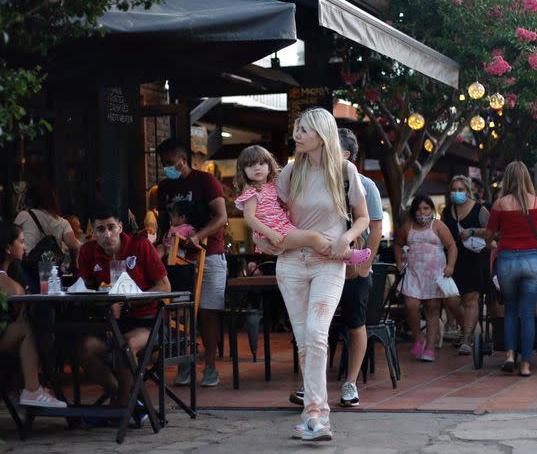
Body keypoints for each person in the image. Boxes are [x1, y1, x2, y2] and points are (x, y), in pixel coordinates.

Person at [258, 107, 370, 441]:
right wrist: (262, 234)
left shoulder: (344, 170)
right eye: (296, 128)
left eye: (304, 129)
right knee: (305, 341)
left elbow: (362, 217)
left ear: (322, 133)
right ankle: (312, 415)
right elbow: (268, 216)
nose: (297, 134)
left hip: (329, 263)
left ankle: (317, 415)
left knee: (318, 333)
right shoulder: (291, 172)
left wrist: (346, 239)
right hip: (291, 262)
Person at [77, 207, 171, 406]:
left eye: (111, 227)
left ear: (120, 227)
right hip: (110, 323)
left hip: (148, 322)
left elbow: (164, 287)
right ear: (93, 233)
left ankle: (122, 403)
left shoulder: (140, 245)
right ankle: (123, 397)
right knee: (84, 349)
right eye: (100, 229)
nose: (107, 234)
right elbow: (86, 290)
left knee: (125, 346)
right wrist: (105, 310)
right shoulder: (87, 251)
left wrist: (129, 301)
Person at [156, 138, 228, 388]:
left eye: (169, 163)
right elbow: (163, 224)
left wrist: (197, 236)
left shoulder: (205, 181)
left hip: (209, 254)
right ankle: (185, 362)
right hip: (177, 260)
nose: (167, 168)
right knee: (179, 312)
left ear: (182, 159)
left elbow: (222, 217)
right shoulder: (164, 187)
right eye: (163, 164)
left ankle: (209, 365)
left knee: (208, 311)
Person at [233, 144, 370, 264]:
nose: (257, 168)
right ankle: (346, 255)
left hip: (282, 228)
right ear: (243, 171)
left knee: (312, 239)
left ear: (269, 166)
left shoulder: (272, 185)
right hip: (275, 232)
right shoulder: (251, 192)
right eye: (250, 165)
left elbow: (284, 204)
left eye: (261, 164)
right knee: (313, 238)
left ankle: (342, 254)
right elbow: (249, 217)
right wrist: (269, 234)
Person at [484, 161, 537, 377]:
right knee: (528, 313)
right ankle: (526, 365)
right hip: (531, 260)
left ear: (507, 179)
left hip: (507, 260)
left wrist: (494, 244)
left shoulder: (499, 205)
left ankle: (510, 355)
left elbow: (488, 236)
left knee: (510, 309)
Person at [336, 128, 383, 407]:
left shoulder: (365, 184)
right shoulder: (318, 182)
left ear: (346, 154)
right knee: (315, 326)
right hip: (322, 264)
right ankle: (311, 384)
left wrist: (365, 265)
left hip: (354, 266)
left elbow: (375, 227)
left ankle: (350, 383)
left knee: (355, 323)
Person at [0, 222, 67, 408]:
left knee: (36, 330)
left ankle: (31, 387)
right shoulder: (4, 278)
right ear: (7, 248)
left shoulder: (14, 271)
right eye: (21, 242)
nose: (25, 246)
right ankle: (32, 389)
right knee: (27, 330)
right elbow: (17, 295)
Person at [393, 195, 457, 363]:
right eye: (419, 209)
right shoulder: (408, 227)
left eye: (426, 208)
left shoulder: (438, 226)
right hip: (414, 274)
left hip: (434, 275)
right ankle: (418, 337)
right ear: (414, 211)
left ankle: (429, 348)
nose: (422, 212)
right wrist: (399, 262)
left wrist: (450, 266)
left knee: (432, 310)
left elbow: (451, 246)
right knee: (410, 305)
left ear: (431, 210)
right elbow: (398, 244)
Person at [442, 175, 490, 354]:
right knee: (451, 298)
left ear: (468, 191)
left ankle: (468, 338)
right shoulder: (447, 212)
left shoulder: (479, 209)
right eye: (453, 190)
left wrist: (473, 231)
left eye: (460, 190)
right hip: (454, 260)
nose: (456, 193)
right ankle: (466, 328)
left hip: (476, 257)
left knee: (471, 298)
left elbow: (492, 231)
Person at [14, 181, 81, 285]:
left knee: (30, 298)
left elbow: (12, 236)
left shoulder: (24, 215)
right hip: (50, 271)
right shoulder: (62, 222)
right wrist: (73, 264)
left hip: (28, 269)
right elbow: (75, 246)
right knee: (50, 298)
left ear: (31, 199)